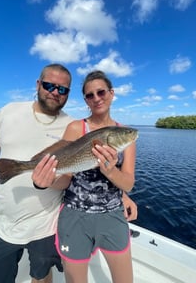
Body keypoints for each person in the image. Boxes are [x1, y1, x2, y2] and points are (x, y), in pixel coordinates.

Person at [0, 64, 137, 283]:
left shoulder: (72, 124)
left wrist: (119, 189)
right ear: (38, 84)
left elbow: (112, 179)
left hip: (50, 223)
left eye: (62, 89)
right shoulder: (14, 113)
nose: (55, 92)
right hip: (10, 219)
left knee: (42, 275)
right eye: (49, 85)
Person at [33, 70, 136, 283]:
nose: (97, 98)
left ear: (111, 93)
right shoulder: (75, 128)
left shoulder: (125, 133)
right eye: (90, 95)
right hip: (74, 216)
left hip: (112, 215)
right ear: (85, 100)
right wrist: (48, 180)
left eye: (101, 92)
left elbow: (129, 182)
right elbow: (65, 177)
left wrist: (110, 170)